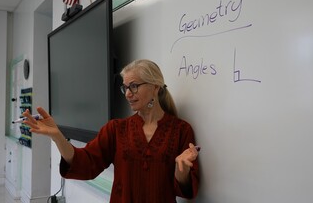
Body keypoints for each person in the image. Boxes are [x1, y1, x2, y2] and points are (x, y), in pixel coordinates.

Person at [22, 59, 200, 202]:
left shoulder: (181, 130)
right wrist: (58, 137)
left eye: (134, 86)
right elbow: (85, 162)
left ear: (155, 87)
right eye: (125, 88)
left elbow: (187, 190)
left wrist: (181, 172)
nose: (128, 94)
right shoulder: (116, 129)